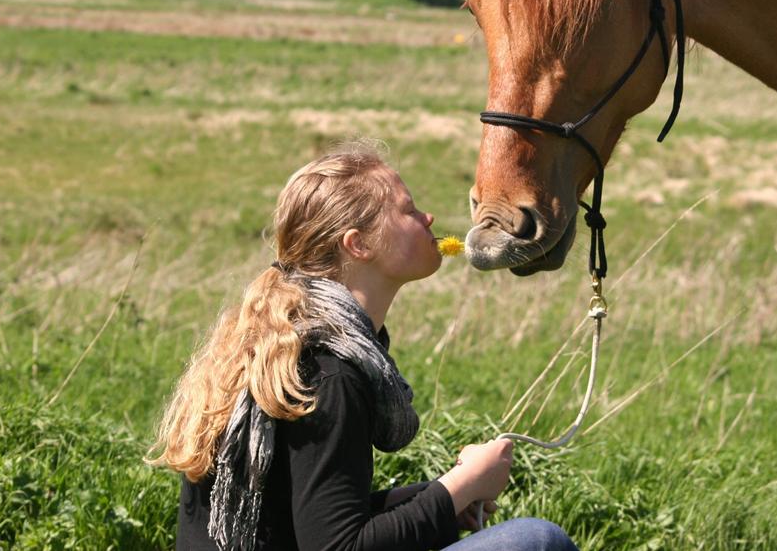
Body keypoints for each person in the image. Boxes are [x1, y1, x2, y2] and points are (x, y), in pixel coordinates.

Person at [148, 147, 579, 551]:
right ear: (359, 245)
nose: (428, 217)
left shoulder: (292, 346)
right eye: (408, 210)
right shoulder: (329, 374)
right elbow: (338, 546)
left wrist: (439, 498)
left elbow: (307, 522)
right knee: (536, 541)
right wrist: (463, 485)